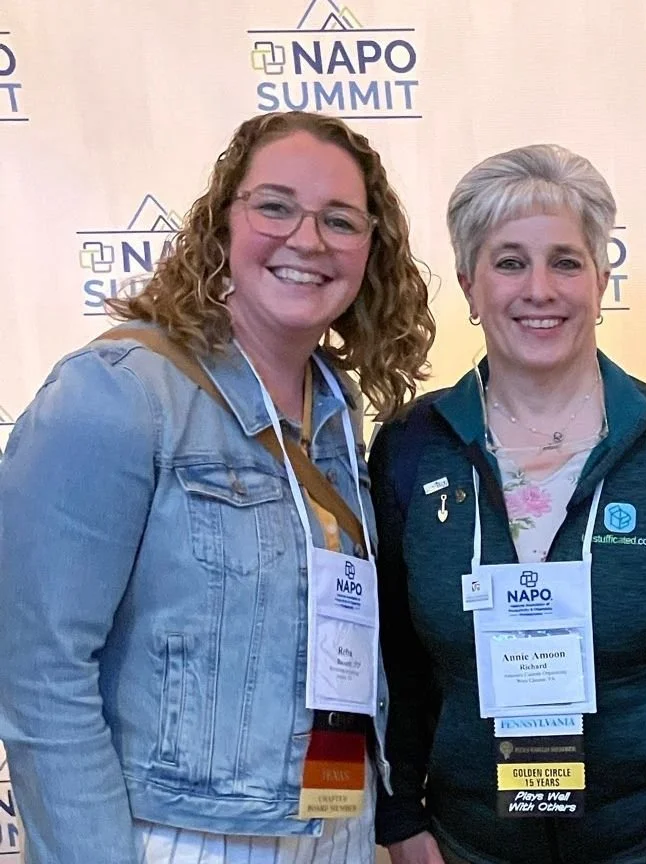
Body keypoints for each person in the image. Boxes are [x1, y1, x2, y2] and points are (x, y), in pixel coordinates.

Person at [0, 110, 436, 863]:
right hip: (174, 840)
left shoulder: (336, 409)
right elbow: (39, 671)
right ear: (221, 225)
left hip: (332, 828)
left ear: (373, 250)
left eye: (340, 219)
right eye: (275, 207)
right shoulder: (117, 395)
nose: (307, 239)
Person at [370, 143, 646, 864]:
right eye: (509, 261)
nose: (539, 289)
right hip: (469, 846)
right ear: (468, 284)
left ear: (601, 277)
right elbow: (393, 659)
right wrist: (400, 821)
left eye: (565, 261)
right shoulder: (410, 448)